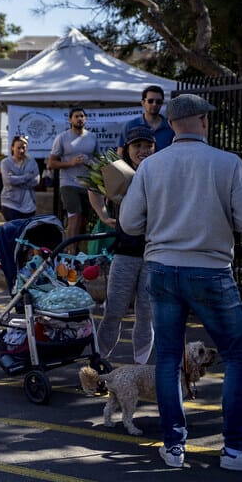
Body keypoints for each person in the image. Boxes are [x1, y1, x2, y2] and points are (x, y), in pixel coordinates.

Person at [120, 94, 242, 471]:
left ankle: (174, 447)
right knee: (241, 356)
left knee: (166, 358)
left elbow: (129, 224)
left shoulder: (151, 166)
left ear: (172, 125)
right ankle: (235, 449)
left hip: (163, 269)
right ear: (202, 122)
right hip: (210, 270)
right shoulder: (227, 163)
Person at [90, 126, 155, 365]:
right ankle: (99, 362)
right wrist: (104, 215)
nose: (143, 151)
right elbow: (92, 188)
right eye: (137, 146)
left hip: (152, 254)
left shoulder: (160, 170)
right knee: (114, 311)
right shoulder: (119, 172)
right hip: (126, 252)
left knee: (146, 315)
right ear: (127, 149)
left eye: (147, 145)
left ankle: (141, 367)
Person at [47, 107, 98, 248]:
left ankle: (78, 252)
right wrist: (71, 163)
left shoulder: (92, 137)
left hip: (88, 185)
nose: (79, 118)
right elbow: (51, 163)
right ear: (70, 119)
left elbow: (98, 160)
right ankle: (69, 255)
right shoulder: (62, 138)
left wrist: (90, 162)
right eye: (76, 116)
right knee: (74, 217)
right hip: (69, 183)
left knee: (84, 221)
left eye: (82, 116)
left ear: (85, 119)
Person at [117, 85, 174, 158]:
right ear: (143, 102)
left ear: (162, 103)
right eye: (150, 101)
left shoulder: (171, 126)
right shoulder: (130, 125)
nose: (154, 104)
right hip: (137, 169)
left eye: (158, 101)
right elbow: (120, 154)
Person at [0, 135, 38, 221]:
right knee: (14, 230)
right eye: (18, 148)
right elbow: (8, 181)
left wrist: (17, 179)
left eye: (23, 148)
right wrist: (27, 176)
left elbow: (36, 180)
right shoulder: (5, 163)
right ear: (12, 148)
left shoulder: (32, 162)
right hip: (10, 203)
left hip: (29, 206)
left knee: (26, 232)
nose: (21, 150)